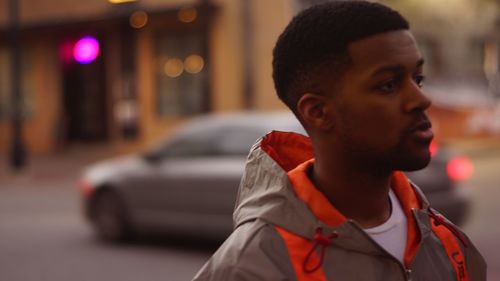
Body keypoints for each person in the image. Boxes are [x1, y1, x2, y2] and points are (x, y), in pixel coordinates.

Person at [192, 1, 486, 280]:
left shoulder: (448, 243)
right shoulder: (251, 267)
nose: (421, 99)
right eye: (388, 85)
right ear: (318, 112)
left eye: (417, 79)